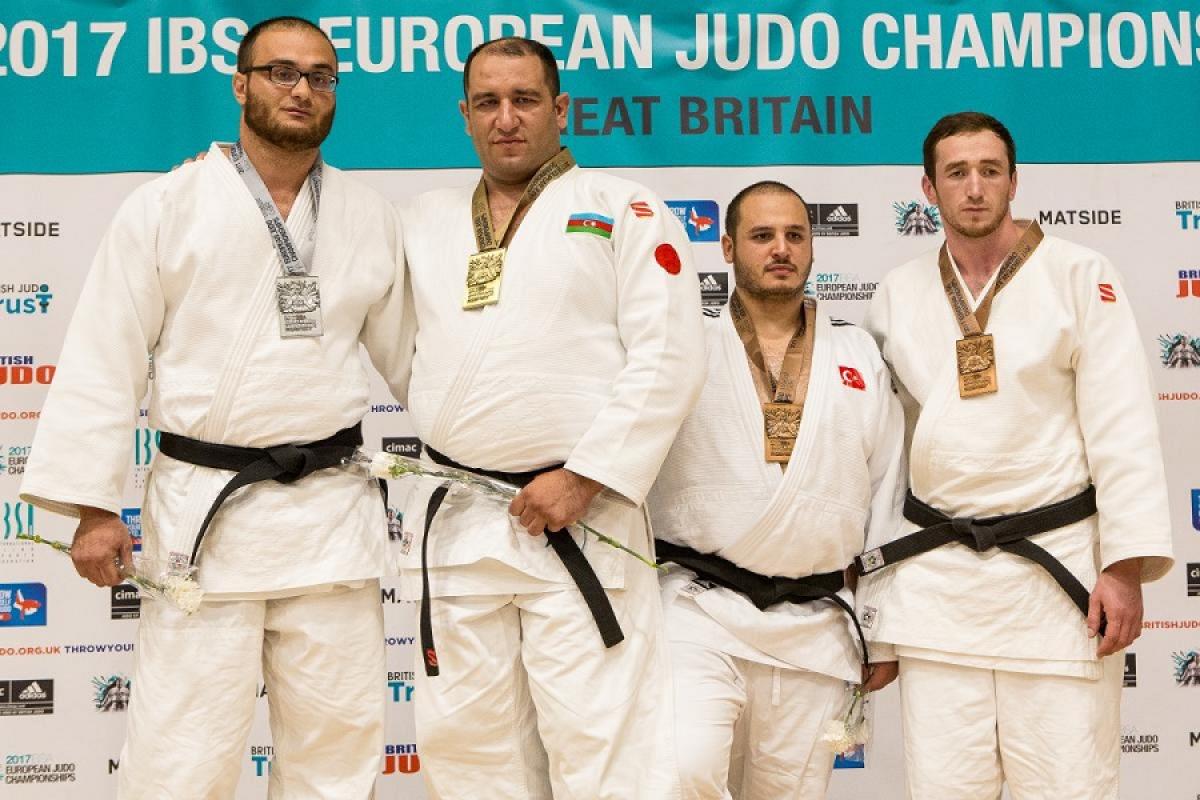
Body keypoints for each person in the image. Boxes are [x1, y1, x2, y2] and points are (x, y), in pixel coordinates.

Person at [20, 16, 413, 798]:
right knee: (179, 757)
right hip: (207, 520)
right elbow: (106, 357)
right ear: (241, 84)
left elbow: (416, 363)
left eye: (321, 76)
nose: (302, 89)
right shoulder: (165, 206)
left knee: (337, 757)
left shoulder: (368, 214)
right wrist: (94, 509)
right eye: (281, 72)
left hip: (331, 519)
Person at [396, 36, 704, 800]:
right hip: (462, 521)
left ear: (560, 109)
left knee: (605, 750)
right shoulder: (423, 221)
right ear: (463, 115)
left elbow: (670, 357)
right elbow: (402, 351)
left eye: (526, 99)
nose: (507, 119)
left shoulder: (622, 207)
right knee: (468, 753)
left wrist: (588, 474)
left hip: (580, 523)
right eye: (488, 102)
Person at [857, 110, 1174, 799]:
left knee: (1069, 786)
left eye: (989, 171)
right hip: (940, 587)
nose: (974, 188)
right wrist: (877, 610)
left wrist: (1123, 567)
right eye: (956, 173)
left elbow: (1123, 427)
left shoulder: (1080, 275)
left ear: (1014, 182)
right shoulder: (897, 294)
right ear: (928, 189)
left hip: (1055, 583)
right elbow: (884, 462)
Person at [647, 181, 905, 800]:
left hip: (814, 623)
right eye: (762, 236)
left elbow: (888, 493)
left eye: (795, 235)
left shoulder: (858, 352)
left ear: (813, 249)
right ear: (729, 247)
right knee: (681, 771)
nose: (781, 249)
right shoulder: (685, 345)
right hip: (697, 607)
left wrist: (881, 627)